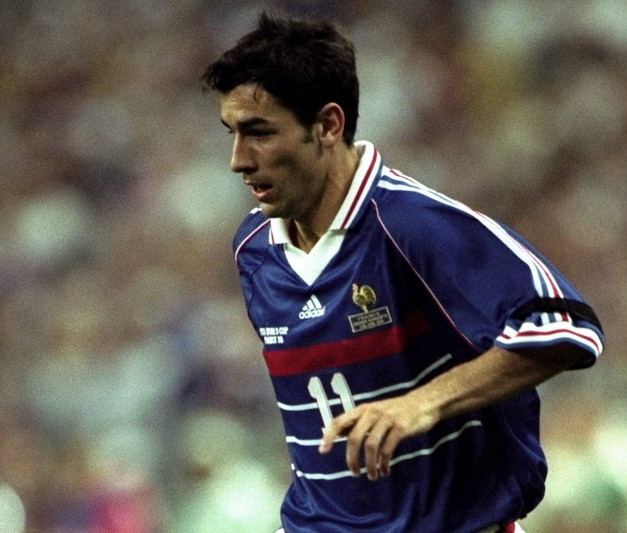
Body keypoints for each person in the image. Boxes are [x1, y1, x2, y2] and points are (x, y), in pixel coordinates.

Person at [201, 12, 604, 533]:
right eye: (232, 133)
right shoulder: (254, 248)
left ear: (328, 126)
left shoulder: (411, 225)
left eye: (259, 132)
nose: (237, 160)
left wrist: (422, 404)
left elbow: (567, 328)